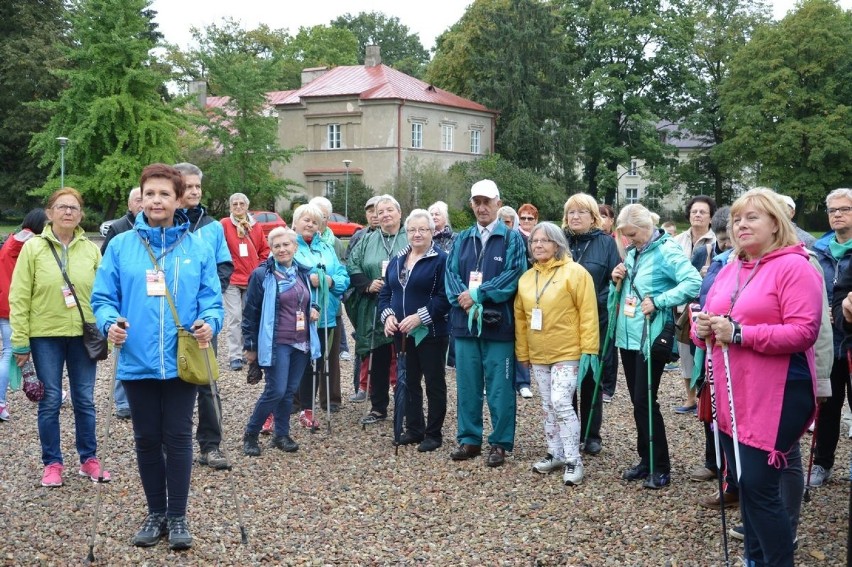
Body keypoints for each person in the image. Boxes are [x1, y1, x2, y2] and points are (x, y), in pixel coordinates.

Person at [92, 163, 223, 550]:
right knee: (147, 439)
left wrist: (208, 322)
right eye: (149, 193)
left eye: (164, 194)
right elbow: (102, 298)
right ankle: (155, 513)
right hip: (137, 359)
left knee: (179, 437)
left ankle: (179, 516)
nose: (156, 200)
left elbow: (211, 300)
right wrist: (108, 323)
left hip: (183, 358)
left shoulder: (197, 246)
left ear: (178, 198)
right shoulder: (120, 245)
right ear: (140, 199)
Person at [693, 187, 821, 566]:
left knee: (759, 486)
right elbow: (714, 320)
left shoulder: (795, 266)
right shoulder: (731, 266)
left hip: (780, 389)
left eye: (752, 217)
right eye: (736, 218)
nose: (741, 225)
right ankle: (755, 559)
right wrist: (704, 330)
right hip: (734, 388)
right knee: (746, 484)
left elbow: (804, 331)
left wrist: (740, 334)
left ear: (776, 224)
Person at [10, 188, 108, 488]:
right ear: (49, 212)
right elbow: (19, 295)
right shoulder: (34, 248)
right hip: (45, 335)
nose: (68, 212)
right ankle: (52, 463)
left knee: (85, 400)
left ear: (81, 214)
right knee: (50, 400)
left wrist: (108, 326)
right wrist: (20, 341)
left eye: (74, 207)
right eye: (62, 207)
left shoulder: (91, 249)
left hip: (83, 334)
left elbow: (104, 292)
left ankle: (88, 458)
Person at [611, 204, 702, 488]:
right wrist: (618, 278)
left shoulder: (666, 250)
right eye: (625, 236)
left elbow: (693, 282)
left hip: (650, 338)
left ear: (647, 227)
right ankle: (645, 460)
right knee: (639, 403)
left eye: (632, 234)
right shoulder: (635, 252)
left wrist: (661, 300)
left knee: (645, 401)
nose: (628, 240)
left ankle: (661, 466)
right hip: (628, 338)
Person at [445, 179, 526, 467]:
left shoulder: (512, 238)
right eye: (477, 202)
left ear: (498, 203)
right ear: (471, 205)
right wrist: (462, 298)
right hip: (465, 325)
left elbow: (514, 274)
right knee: (467, 384)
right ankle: (469, 440)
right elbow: (450, 275)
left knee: (500, 386)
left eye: (487, 201)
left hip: (498, 326)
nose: (482, 207)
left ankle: (500, 442)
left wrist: (477, 294)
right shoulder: (462, 238)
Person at [516, 222, 599, 485]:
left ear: (557, 244)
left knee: (561, 401)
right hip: (539, 351)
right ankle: (555, 453)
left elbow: (588, 313)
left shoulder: (575, 273)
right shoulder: (527, 278)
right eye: (534, 241)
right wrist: (523, 352)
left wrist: (589, 349)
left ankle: (574, 458)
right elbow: (521, 318)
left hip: (568, 350)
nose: (538, 245)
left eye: (545, 240)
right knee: (547, 405)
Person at [173, 162, 233, 471]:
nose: (195, 191)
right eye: (189, 186)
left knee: (207, 383)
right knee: (170, 383)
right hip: (169, 319)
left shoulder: (212, 227)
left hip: (202, 321)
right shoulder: (163, 225)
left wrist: (207, 305)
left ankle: (210, 445)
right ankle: (174, 443)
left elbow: (224, 266)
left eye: (198, 186)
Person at [241, 227, 319, 456]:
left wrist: (314, 308)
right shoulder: (262, 275)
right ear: (271, 249)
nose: (282, 249)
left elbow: (307, 300)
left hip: (301, 342)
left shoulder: (302, 272)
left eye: (287, 245)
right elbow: (250, 312)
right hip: (276, 341)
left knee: (289, 390)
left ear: (295, 247)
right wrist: (250, 346)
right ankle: (251, 433)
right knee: (275, 390)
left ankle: (281, 434)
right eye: (277, 246)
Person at [379, 209, 450, 452]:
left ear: (432, 232)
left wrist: (420, 318)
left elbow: (444, 297)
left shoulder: (441, 260)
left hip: (430, 333)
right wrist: (388, 316)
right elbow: (386, 293)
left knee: (434, 382)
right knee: (407, 381)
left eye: (423, 229)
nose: (417, 234)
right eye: (412, 230)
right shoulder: (398, 259)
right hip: (401, 333)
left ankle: (433, 433)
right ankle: (414, 428)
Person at [563, 194, 621, 454]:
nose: (575, 217)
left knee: (590, 375)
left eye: (581, 212)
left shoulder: (605, 244)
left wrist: (596, 302)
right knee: (565, 377)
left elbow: (614, 281)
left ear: (593, 217)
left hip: (594, 318)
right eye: (571, 212)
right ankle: (570, 430)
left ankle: (592, 433)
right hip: (563, 320)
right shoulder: (560, 242)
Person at [348, 195, 407, 424]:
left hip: (404, 305)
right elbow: (352, 265)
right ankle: (379, 407)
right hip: (375, 305)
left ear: (399, 213)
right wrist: (367, 284)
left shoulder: (409, 235)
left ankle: (407, 404)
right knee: (379, 358)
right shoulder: (367, 240)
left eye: (389, 210)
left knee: (405, 357)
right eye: (380, 212)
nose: (384, 215)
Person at [808, 188, 852, 487]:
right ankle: (823, 463)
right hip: (826, 342)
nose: (837, 214)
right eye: (832, 210)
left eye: (844, 209)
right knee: (827, 405)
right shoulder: (818, 249)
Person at [291, 203, 349, 428]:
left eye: (315, 222)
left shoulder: (327, 248)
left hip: (326, 313)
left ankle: (313, 407)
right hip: (299, 315)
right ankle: (301, 405)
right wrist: (310, 280)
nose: (310, 224)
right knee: (301, 361)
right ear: (295, 222)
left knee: (321, 359)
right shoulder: (289, 245)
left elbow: (343, 276)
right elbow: (282, 275)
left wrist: (331, 281)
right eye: (305, 220)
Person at [0, 208, 48, 421]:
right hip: (16, 306)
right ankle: (0, 401)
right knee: (11, 351)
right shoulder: (31, 244)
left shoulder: (12, 240)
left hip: (4, 302)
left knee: (15, 350)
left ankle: (50, 389)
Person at [100, 187, 144, 419]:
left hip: (143, 298)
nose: (141, 204)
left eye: (142, 199)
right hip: (122, 301)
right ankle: (122, 402)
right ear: (129, 205)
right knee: (122, 346)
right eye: (138, 200)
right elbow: (106, 260)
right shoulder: (118, 228)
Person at [672, 196, 717, 414]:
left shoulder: (716, 241)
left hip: (705, 304)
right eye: (694, 211)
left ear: (710, 217)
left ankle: (705, 395)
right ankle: (690, 398)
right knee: (685, 352)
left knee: (703, 351)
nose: (697, 215)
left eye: (702, 212)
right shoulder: (677, 241)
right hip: (681, 304)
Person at [221, 193, 269, 372]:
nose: (238, 206)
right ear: (230, 206)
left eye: (242, 203)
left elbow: (264, 249)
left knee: (249, 316)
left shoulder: (255, 226)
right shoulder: (225, 224)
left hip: (251, 278)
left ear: (247, 206)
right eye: (235, 204)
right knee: (235, 317)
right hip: (232, 278)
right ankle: (234, 355)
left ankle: (247, 350)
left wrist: (259, 268)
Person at [308, 196, 348, 413]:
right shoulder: (295, 241)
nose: (318, 220)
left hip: (331, 306)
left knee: (330, 356)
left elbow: (344, 273)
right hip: (306, 309)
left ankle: (331, 399)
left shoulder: (335, 243)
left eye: (322, 216)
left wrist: (332, 282)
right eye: (314, 215)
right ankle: (302, 400)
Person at [346, 195, 381, 403]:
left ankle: (390, 387)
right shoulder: (358, 236)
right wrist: (365, 286)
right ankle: (361, 386)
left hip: (386, 297)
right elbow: (351, 264)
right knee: (363, 342)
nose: (375, 215)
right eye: (370, 211)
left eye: (378, 210)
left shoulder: (395, 236)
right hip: (362, 298)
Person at [100, 187, 142, 253]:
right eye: (139, 201)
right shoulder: (116, 228)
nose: (142, 205)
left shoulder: (157, 225)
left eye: (145, 201)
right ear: (129, 204)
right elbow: (105, 258)